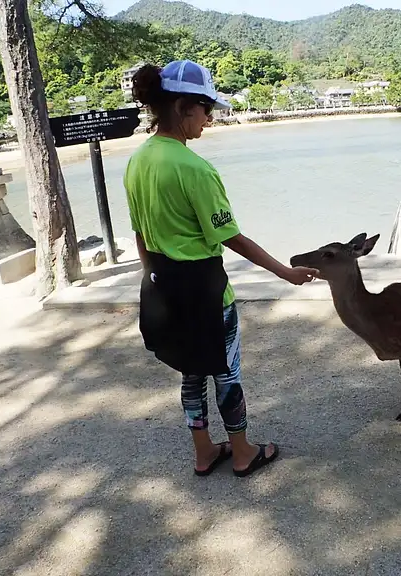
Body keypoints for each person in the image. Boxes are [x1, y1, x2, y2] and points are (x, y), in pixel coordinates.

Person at [125, 60, 319, 478]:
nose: (209, 118)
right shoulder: (194, 168)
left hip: (164, 287)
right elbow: (232, 237)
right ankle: (243, 451)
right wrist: (285, 273)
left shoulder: (138, 161)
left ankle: (203, 452)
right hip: (206, 292)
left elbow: (139, 232)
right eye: (204, 108)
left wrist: (154, 280)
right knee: (226, 371)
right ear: (181, 108)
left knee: (191, 372)